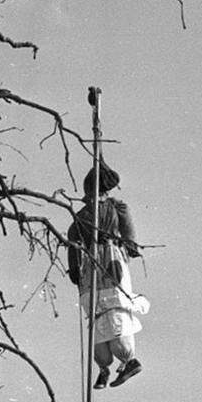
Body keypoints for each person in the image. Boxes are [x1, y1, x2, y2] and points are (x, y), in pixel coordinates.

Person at [66, 160, 148, 389]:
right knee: (98, 310)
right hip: (92, 264)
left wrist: (130, 244)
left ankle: (127, 361)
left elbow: (127, 228)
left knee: (113, 308)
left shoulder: (114, 207)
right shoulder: (81, 216)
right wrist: (74, 267)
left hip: (110, 259)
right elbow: (72, 242)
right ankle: (104, 366)